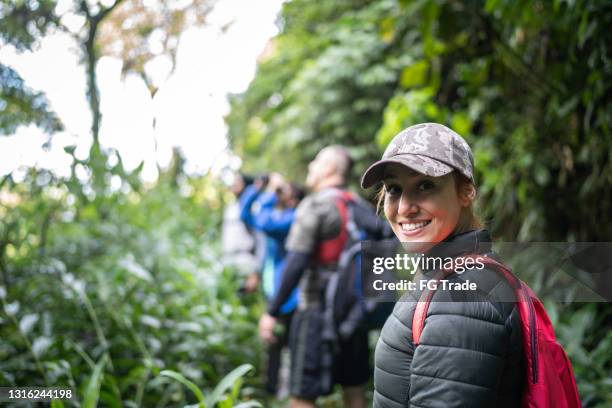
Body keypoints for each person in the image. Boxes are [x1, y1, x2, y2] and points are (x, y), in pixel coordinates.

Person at [360, 123, 526, 407]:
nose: (403, 208)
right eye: (394, 189)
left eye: (425, 185)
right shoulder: (447, 273)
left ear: (466, 192)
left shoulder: (463, 296)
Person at [259, 146, 385, 408]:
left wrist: (272, 312)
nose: (310, 168)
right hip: (355, 314)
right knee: (354, 390)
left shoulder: (315, 205)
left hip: (315, 312)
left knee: (303, 395)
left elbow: (296, 262)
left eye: (315, 162)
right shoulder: (360, 206)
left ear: (329, 169)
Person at [239, 173, 303, 396]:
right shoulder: (278, 216)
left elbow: (264, 222)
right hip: (274, 291)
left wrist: (269, 194)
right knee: (274, 346)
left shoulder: (293, 218)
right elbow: (245, 213)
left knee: (290, 347)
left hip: (290, 295)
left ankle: (290, 392)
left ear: (293, 200)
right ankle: (272, 390)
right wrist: (259, 187)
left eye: (285, 192)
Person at [221, 172, 266, 292]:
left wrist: (256, 272)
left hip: (247, 262)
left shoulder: (254, 208)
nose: (234, 185)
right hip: (228, 260)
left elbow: (261, 241)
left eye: (238, 182)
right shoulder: (231, 207)